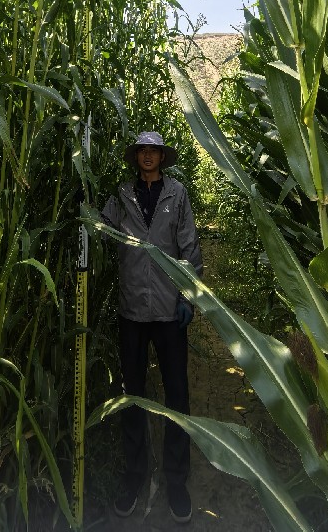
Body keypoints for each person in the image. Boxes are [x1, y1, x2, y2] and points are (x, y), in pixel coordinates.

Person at [101, 131, 203, 525]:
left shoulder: (177, 195)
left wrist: (188, 297)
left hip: (167, 311)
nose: (147, 156)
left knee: (177, 395)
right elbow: (101, 225)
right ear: (136, 157)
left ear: (162, 157)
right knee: (133, 395)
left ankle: (177, 481)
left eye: (153, 151)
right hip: (131, 311)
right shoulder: (122, 195)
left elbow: (190, 248)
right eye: (142, 150)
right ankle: (134, 475)